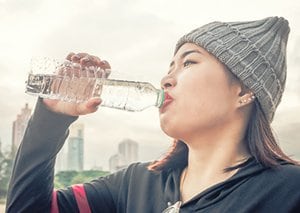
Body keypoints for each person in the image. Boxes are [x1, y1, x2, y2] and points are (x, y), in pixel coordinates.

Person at [6, 16, 300, 213]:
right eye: (169, 67)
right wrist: (52, 118)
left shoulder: (289, 190)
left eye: (189, 63)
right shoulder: (135, 183)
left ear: (244, 90)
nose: (166, 80)